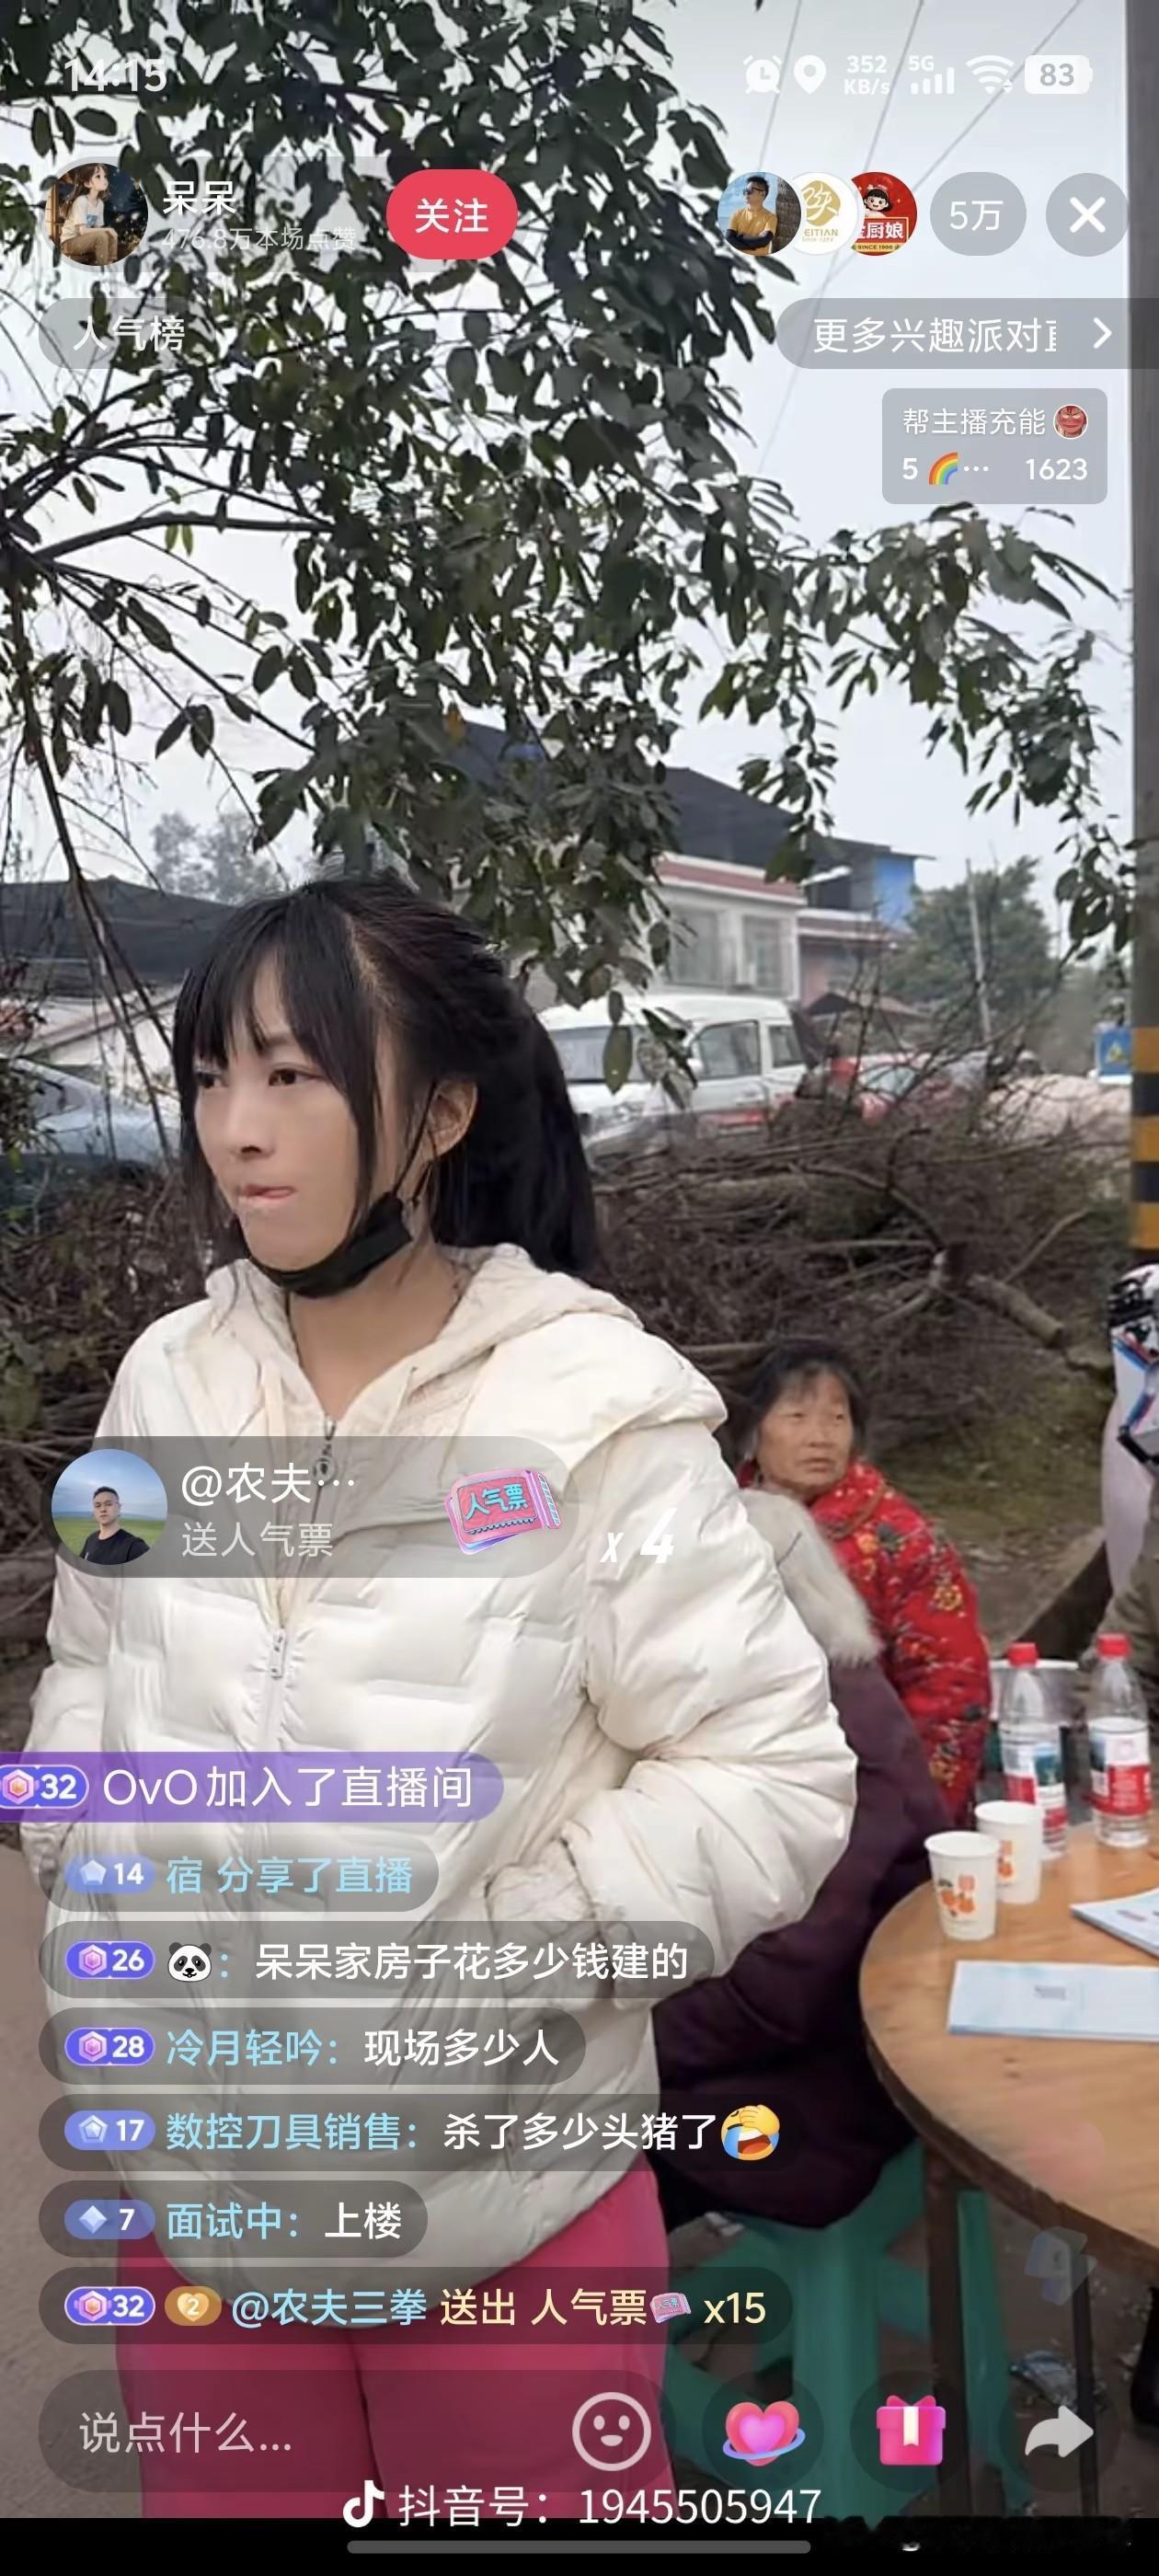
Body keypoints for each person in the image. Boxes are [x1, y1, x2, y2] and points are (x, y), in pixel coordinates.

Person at [21, 877, 855, 2521]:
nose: (236, 1130)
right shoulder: (167, 1379)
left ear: (444, 1111)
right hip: (201, 2209)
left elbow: (770, 1770)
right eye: (213, 1076)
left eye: (293, 1076)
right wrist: (86, 1860)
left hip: (506, 2229)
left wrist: (512, 1955)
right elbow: (92, 1656)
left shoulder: (592, 1418)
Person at [651, 1487, 952, 2230]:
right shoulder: (787, 1700)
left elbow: (774, 1993)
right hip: (780, 2046)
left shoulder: (836, 1737)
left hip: (817, 2095)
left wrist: (607, 2049)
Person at [739, 1339, 991, 1823]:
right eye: (796, 1417)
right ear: (753, 1430)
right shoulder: (717, 1519)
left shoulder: (903, 1540)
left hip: (875, 1792)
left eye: (837, 1418)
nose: (820, 1437)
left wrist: (912, 1813)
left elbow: (952, 1688)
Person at [55, 164, 119, 266]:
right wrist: (107, 230)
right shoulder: (81, 201)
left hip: (84, 240)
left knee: (109, 235)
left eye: (105, 176)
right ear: (88, 183)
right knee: (102, 235)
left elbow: (97, 228)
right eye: (98, 176)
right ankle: (103, 266)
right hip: (69, 242)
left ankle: (110, 263)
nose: (104, 180)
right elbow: (83, 231)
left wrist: (108, 232)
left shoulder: (100, 204)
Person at [77, 1484, 148, 1565]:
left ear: (119, 1508)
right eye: (98, 1505)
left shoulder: (134, 1547)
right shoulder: (91, 1539)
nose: (102, 1509)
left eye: (108, 1504)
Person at [726, 175, 779, 257]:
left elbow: (764, 241)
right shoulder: (737, 214)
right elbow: (729, 238)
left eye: (750, 190)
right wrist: (752, 244)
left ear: (762, 194)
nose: (746, 193)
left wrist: (740, 238)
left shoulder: (770, 217)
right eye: (745, 190)